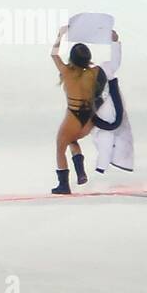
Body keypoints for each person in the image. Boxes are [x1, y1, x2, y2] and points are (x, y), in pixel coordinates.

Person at [49, 27, 121, 194]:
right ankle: (80, 173)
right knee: (73, 141)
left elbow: (54, 54)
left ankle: (63, 185)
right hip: (88, 121)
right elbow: (114, 64)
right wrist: (115, 41)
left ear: (72, 58)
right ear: (88, 57)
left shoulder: (66, 71)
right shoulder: (95, 72)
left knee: (61, 146)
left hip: (72, 118)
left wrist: (60, 35)